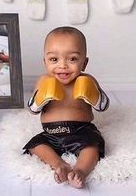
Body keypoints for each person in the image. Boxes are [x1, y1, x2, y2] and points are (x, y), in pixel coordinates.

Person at [23, 26, 109, 189]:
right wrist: (41, 99)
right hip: (51, 133)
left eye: (72, 59)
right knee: (36, 145)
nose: (62, 66)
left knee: (93, 145)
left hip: (82, 130)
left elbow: (104, 106)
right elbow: (32, 109)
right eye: (54, 59)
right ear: (45, 62)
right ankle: (59, 164)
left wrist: (93, 96)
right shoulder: (43, 81)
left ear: (84, 63)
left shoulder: (87, 80)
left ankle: (80, 171)